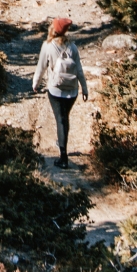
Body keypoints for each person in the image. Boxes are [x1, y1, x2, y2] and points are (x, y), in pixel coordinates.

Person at [34, 18, 89, 165]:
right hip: (72, 91)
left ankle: (63, 158)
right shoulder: (73, 47)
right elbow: (79, 70)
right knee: (65, 118)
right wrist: (84, 88)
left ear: (53, 29)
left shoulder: (47, 46)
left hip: (55, 90)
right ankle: (62, 145)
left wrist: (35, 83)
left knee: (60, 119)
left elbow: (41, 67)